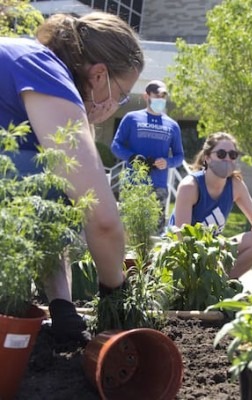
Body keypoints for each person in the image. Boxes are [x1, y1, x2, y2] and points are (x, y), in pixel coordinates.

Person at [0, 12, 144, 343]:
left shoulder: (33, 64)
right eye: (121, 95)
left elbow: (51, 212)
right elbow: (103, 219)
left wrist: (63, 306)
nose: (117, 105)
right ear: (98, 75)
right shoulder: (45, 72)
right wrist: (115, 293)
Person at [168, 132, 252, 278]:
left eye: (233, 155)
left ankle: (221, 285)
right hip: (181, 255)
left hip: (211, 250)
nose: (227, 159)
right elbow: (181, 238)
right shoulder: (190, 186)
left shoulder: (236, 185)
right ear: (207, 158)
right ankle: (204, 284)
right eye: (221, 154)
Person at [111, 79, 184, 233]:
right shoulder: (131, 118)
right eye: (157, 95)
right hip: (133, 184)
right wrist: (132, 157)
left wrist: (167, 162)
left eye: (163, 96)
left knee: (154, 234)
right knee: (126, 232)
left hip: (158, 187)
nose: (161, 100)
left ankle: (148, 259)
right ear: (146, 96)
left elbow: (179, 156)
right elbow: (116, 146)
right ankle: (125, 259)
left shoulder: (172, 125)